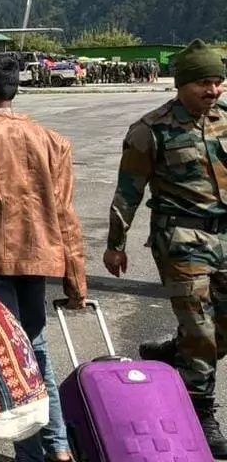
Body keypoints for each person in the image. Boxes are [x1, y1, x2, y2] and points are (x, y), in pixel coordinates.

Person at [0, 53, 84, 462]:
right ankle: (59, 447)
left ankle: (30, 453)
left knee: (10, 364)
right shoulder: (53, 140)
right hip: (41, 261)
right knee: (37, 350)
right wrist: (76, 278)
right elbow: (65, 214)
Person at [104, 39, 227, 456]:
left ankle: (172, 353)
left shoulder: (226, 119)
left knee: (219, 329)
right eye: (204, 84)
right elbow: (127, 192)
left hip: (225, 235)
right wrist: (115, 245)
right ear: (182, 84)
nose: (213, 91)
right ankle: (200, 409)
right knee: (201, 328)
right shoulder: (150, 129)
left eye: (218, 82)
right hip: (181, 239)